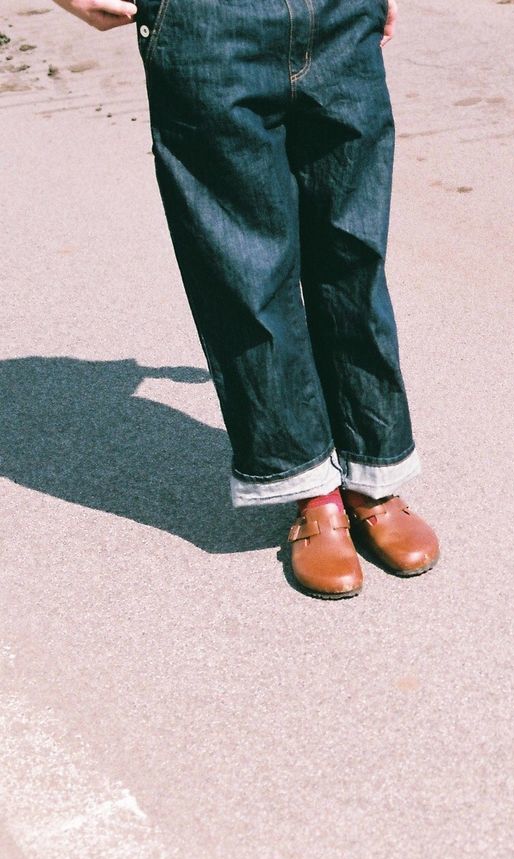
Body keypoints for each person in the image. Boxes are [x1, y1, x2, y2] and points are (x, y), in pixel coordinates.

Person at [53, 0, 439, 599]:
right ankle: (313, 489)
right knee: (247, 269)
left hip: (340, 17)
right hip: (208, 25)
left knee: (353, 253)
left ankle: (373, 475)